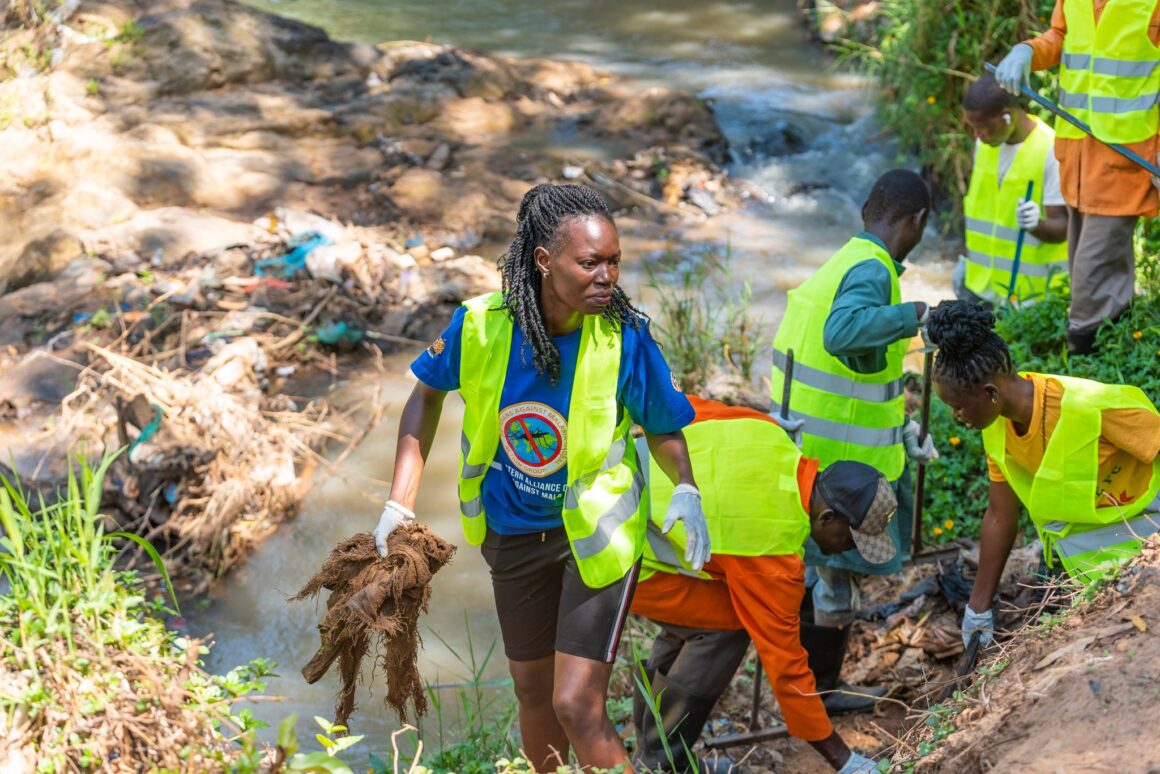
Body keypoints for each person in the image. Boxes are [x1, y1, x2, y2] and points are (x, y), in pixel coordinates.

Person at [374, 183, 710, 771]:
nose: (607, 276)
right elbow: (423, 400)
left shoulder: (623, 337)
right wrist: (400, 504)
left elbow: (663, 426)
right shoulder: (480, 326)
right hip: (512, 529)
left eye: (614, 262)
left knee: (576, 702)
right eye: (590, 263)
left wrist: (685, 486)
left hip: (598, 538)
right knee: (532, 693)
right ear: (544, 260)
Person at [628, 396, 888, 774]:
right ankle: (663, 762)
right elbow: (786, 666)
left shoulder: (769, 432)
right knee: (726, 626)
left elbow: (682, 406)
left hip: (612, 479)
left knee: (713, 615)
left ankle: (660, 756)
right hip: (618, 550)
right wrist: (844, 760)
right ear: (828, 517)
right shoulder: (773, 554)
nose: (849, 550)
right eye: (852, 539)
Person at [769, 168, 937, 711]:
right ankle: (815, 694)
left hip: (812, 456)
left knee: (815, 581)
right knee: (827, 584)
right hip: (842, 469)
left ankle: (810, 690)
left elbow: (858, 377)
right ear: (917, 221)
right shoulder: (872, 270)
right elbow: (842, 335)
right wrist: (915, 315)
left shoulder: (845, 261)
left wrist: (903, 430)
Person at [925, 300, 1160, 647]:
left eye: (958, 407)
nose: (956, 418)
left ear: (991, 393)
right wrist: (978, 607)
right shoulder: (997, 429)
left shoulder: (1090, 409)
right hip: (1088, 571)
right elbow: (1000, 517)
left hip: (1146, 545)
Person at [993, 0, 1160, 354]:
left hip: (1125, 161)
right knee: (1088, 263)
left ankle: (1084, 352)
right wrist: (1027, 51)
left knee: (1091, 272)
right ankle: (1119, 339)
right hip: (1078, 159)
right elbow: (1060, 37)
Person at [956, 73, 1068, 306]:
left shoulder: (1051, 150)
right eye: (972, 128)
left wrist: (1036, 224)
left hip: (1030, 298)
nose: (977, 135)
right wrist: (964, 262)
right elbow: (981, 215)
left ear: (1006, 117)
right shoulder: (984, 145)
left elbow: (1064, 228)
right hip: (981, 289)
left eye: (982, 128)